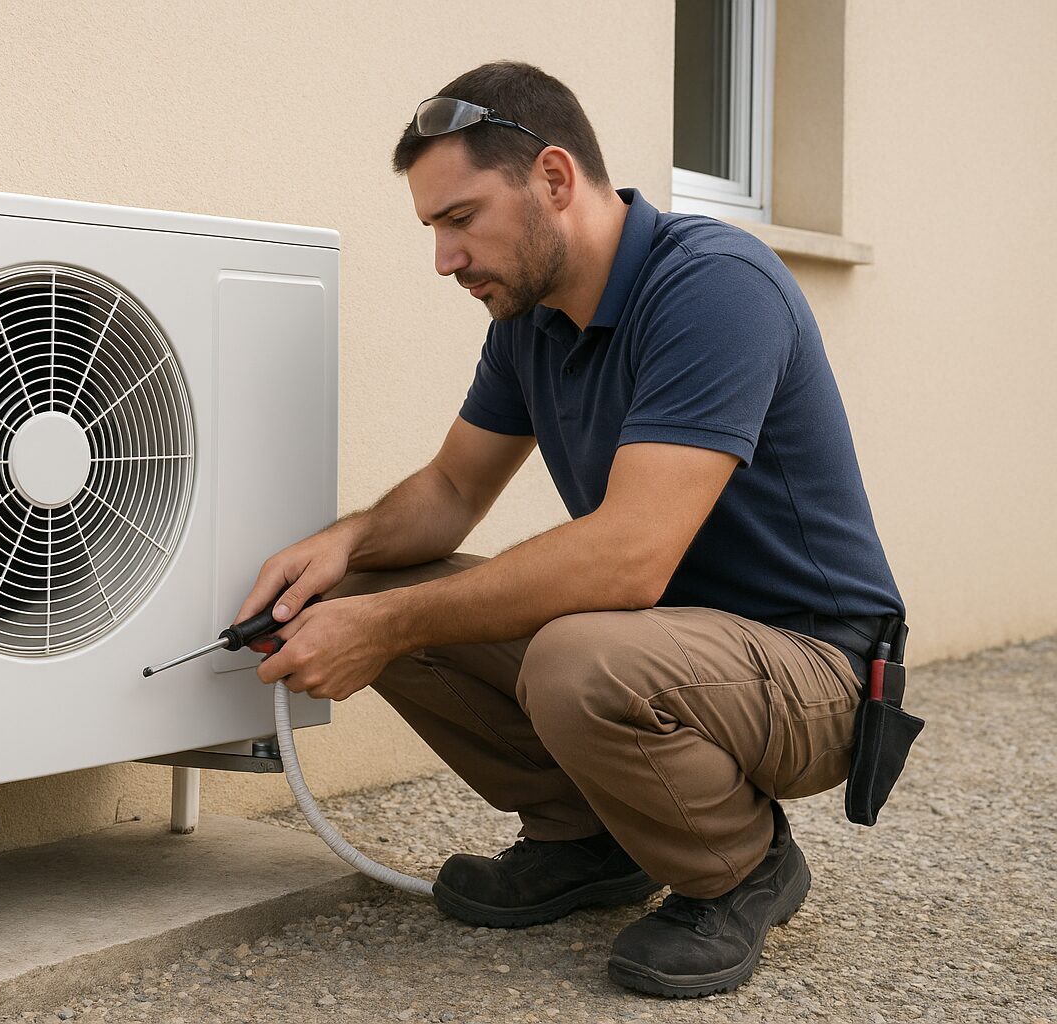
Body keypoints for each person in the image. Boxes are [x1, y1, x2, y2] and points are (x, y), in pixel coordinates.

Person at [233, 61, 906, 998]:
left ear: (554, 179)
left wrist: (389, 630)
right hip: (659, 648)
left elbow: (630, 556)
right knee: (361, 593)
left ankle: (741, 868)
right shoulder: (531, 318)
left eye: (461, 219)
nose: (444, 260)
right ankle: (587, 841)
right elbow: (451, 490)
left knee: (567, 657)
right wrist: (341, 551)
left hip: (815, 669)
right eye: (433, 229)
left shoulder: (715, 288)